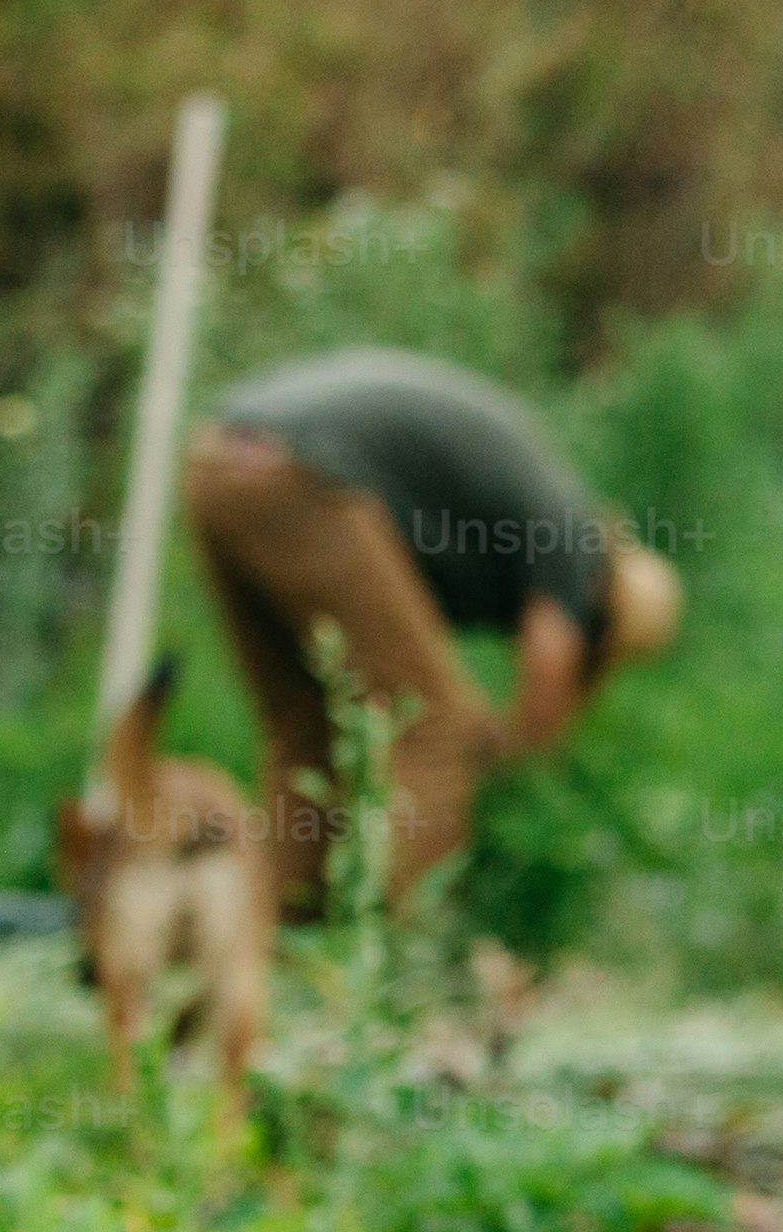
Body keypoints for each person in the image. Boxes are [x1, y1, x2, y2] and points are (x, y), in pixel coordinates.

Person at [186, 345, 684, 912]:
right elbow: (550, 659)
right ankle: (410, 959)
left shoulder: (523, 515)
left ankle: (288, 941)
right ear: (605, 601)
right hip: (303, 473)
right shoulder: (581, 546)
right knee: (430, 729)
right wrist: (518, 756)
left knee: (308, 722)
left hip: (219, 458)